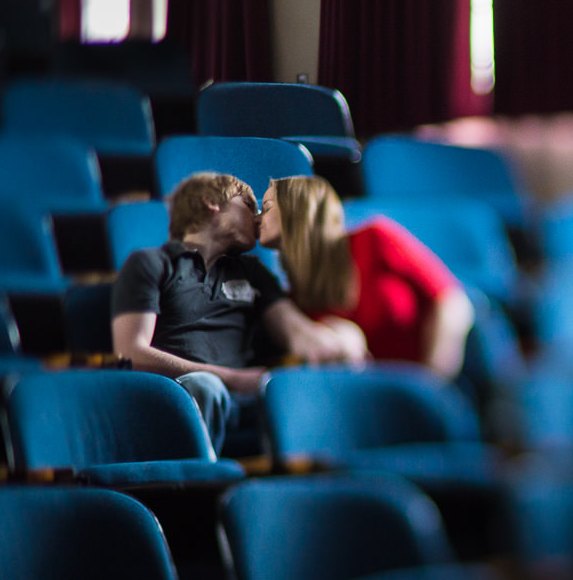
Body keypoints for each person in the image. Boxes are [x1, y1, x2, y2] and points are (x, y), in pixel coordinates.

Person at [110, 171, 364, 454]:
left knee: (291, 391)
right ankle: (201, 488)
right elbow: (130, 353)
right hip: (176, 397)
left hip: (246, 395)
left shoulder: (254, 272)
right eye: (249, 206)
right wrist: (230, 378)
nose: (258, 219)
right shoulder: (150, 263)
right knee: (205, 386)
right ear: (211, 203)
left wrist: (343, 337)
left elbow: (295, 331)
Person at [258, 175, 475, 378]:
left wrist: (433, 379)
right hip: (379, 396)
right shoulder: (296, 297)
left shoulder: (374, 238)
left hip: (442, 370)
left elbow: (452, 302)